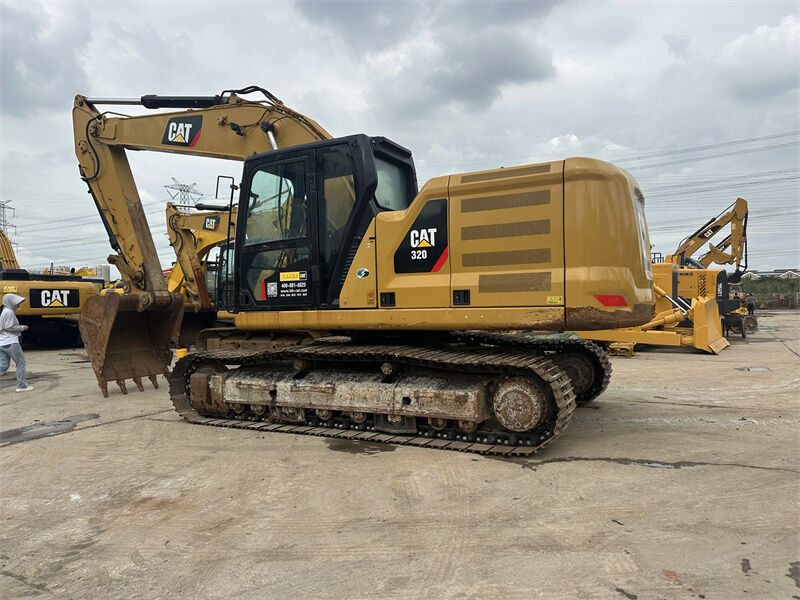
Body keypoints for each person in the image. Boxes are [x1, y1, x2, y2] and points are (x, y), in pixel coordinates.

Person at [0, 293, 34, 392]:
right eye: (16, 304)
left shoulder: (3, 312)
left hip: (2, 343)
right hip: (11, 342)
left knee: (3, 365)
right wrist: (22, 328)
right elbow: (8, 327)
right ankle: (21, 386)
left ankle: (22, 385)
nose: (18, 306)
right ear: (11, 303)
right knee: (20, 363)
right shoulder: (9, 312)